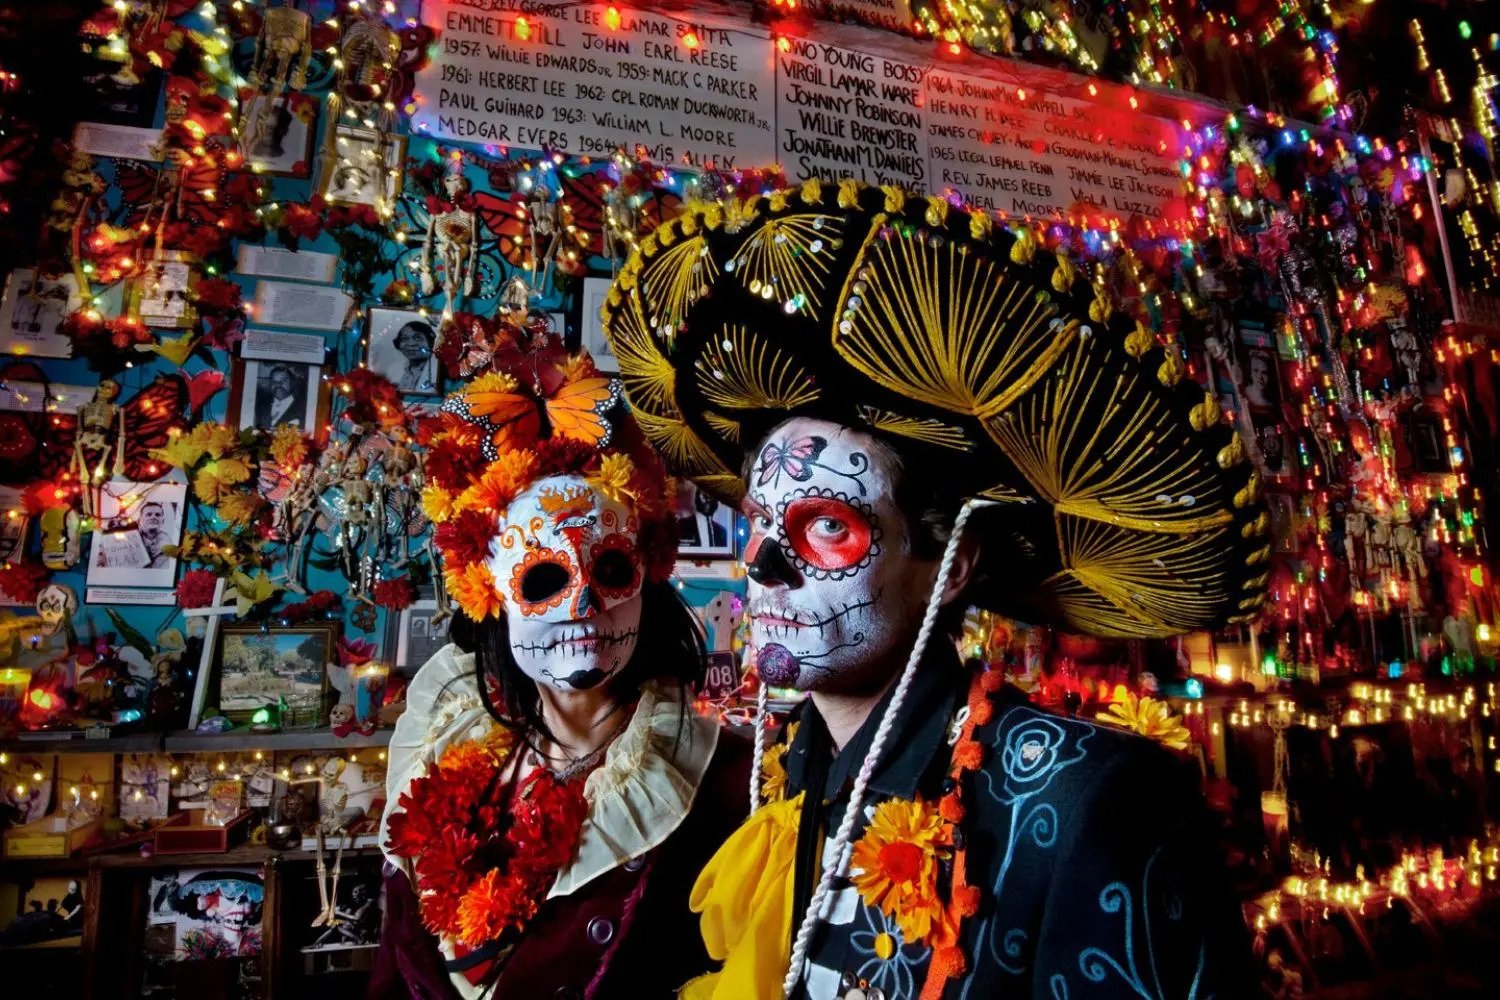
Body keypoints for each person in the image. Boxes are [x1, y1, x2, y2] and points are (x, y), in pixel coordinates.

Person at [601, 180, 1266, 998]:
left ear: (949, 566)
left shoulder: (1094, 798)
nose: (762, 567)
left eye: (827, 527)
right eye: (758, 524)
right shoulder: (779, 771)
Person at [370, 331, 750, 998]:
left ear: (648, 578)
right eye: (544, 579)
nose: (582, 606)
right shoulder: (443, 747)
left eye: (609, 569)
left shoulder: (716, 780)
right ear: (487, 593)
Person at [387, 320, 438, 394]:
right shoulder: (393, 369)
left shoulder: (437, 371)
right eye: (405, 338)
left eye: (418, 338)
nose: (411, 343)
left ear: (430, 343)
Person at [255, 363, 305, 428]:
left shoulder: (302, 408)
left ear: (292, 383)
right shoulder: (261, 407)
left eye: (283, 381)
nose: (278, 385)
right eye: (274, 382)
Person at [138, 500, 171, 568]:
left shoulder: (168, 544)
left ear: (163, 521)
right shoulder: (130, 540)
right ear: (139, 520)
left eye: (157, 515)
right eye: (149, 514)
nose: (153, 517)